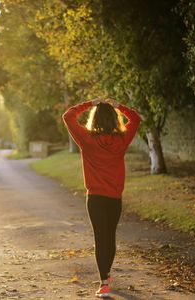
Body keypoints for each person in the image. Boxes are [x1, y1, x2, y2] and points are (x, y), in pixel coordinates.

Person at [62, 97, 142, 298]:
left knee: (100, 238)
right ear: (115, 120)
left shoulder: (87, 139)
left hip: (95, 198)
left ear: (94, 119)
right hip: (114, 198)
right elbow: (136, 118)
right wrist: (118, 105)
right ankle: (106, 275)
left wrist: (90, 103)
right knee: (110, 236)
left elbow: (68, 116)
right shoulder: (122, 140)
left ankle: (104, 282)